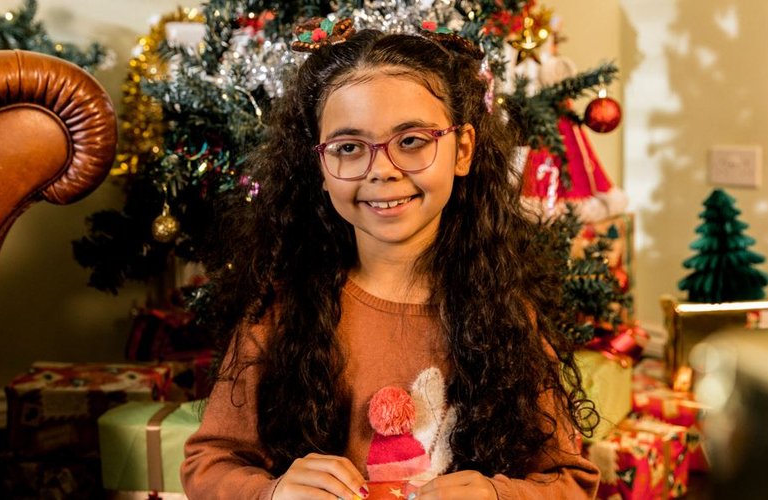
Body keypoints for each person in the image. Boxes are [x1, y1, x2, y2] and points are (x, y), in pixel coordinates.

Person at [182, 26, 600, 500]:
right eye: (348, 148)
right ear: (320, 166)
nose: (381, 168)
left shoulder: (506, 315)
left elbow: (570, 483)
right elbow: (208, 464)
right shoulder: (280, 313)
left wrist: (496, 495)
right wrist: (273, 493)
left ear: (462, 150)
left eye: (412, 140)